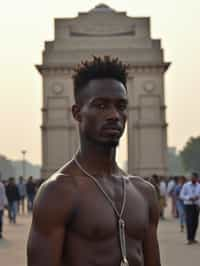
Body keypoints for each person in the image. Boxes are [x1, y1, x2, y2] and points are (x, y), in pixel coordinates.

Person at [27, 56, 161, 266]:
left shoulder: (145, 192)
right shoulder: (58, 192)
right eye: (100, 105)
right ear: (77, 113)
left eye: (121, 106)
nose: (114, 115)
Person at [180, 172, 200, 244]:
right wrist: (189, 198)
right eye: (192, 177)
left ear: (197, 178)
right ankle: (189, 239)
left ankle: (193, 238)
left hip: (196, 206)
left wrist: (197, 200)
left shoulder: (199, 186)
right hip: (188, 205)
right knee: (189, 222)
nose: (193, 178)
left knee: (195, 222)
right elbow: (181, 195)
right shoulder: (186, 185)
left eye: (194, 177)